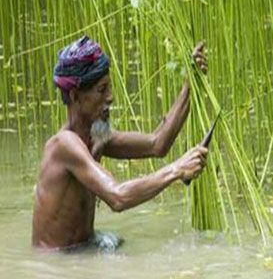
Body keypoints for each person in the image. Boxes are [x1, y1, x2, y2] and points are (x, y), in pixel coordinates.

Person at [32, 35, 209, 251]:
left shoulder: (96, 135)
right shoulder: (64, 145)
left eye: (109, 87)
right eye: (101, 89)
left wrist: (190, 86)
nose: (110, 97)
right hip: (57, 263)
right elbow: (118, 197)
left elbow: (158, 144)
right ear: (75, 95)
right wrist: (177, 169)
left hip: (83, 247)